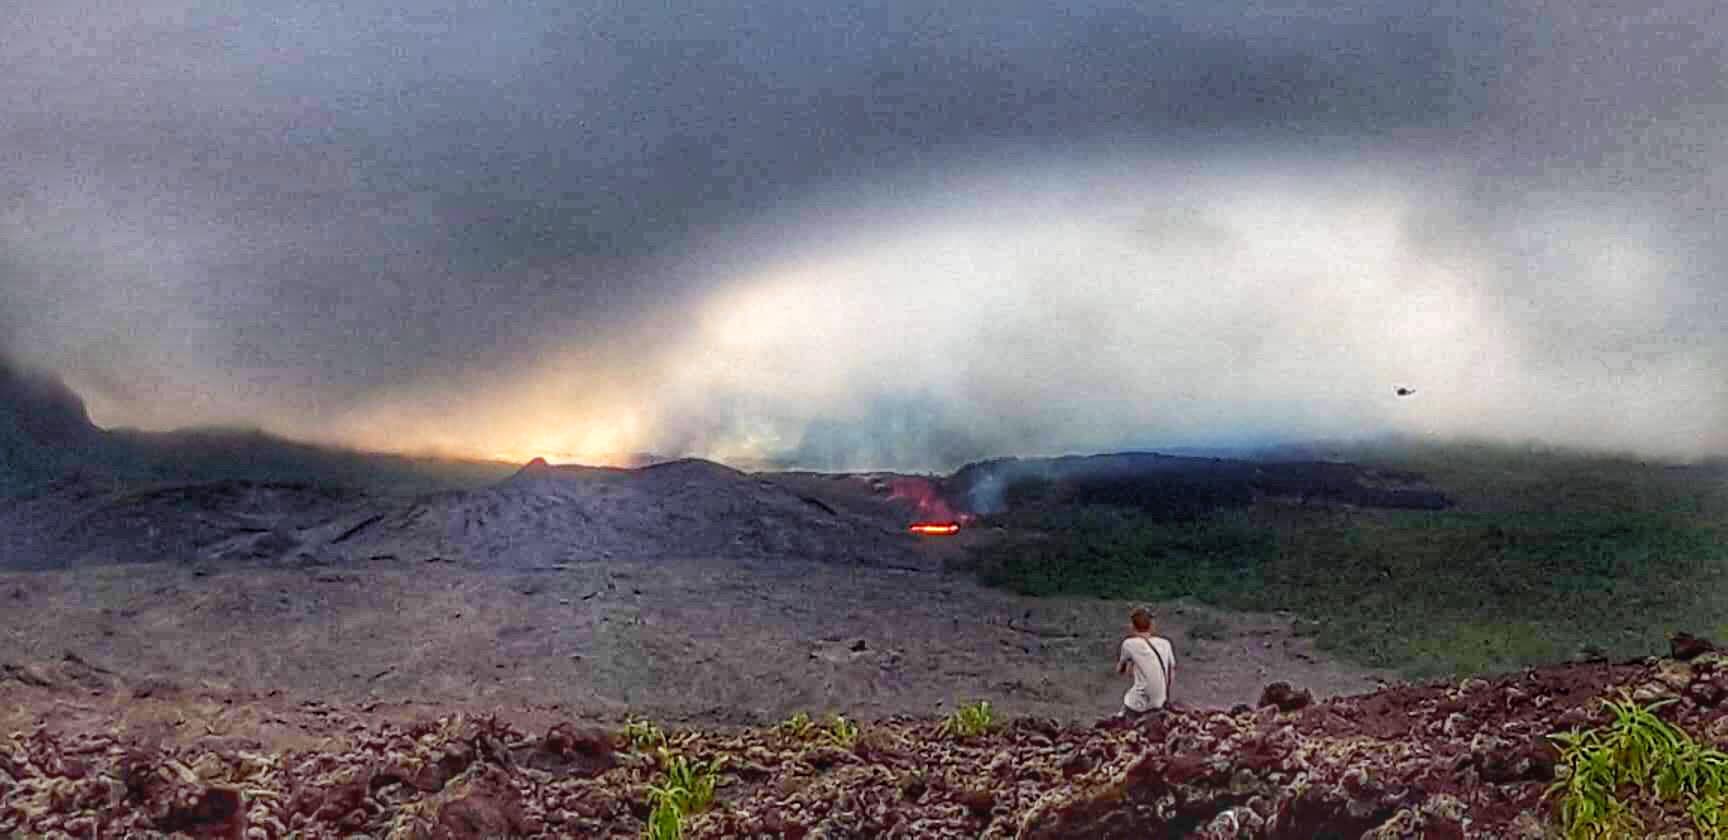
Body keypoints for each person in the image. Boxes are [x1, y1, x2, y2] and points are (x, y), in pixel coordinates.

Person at [1116, 607, 1175, 720]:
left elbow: (1121, 670)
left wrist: (1130, 663)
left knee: (1124, 711)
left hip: (1138, 704)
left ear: (1132, 626)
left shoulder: (1129, 644)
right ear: (1152, 625)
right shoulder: (1165, 644)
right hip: (1160, 701)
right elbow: (1171, 672)